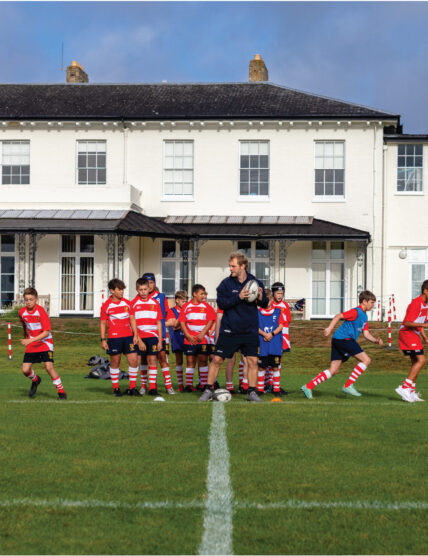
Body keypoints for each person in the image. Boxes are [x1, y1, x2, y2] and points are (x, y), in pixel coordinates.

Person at [199, 251, 268, 403]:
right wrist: (239, 297)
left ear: (243, 266)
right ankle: (208, 390)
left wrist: (261, 298)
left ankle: (251, 392)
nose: (230, 269)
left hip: (249, 330)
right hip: (229, 329)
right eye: (230, 266)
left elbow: (265, 303)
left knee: (253, 361)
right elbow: (221, 303)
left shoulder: (255, 282)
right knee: (217, 359)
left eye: (233, 266)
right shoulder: (225, 284)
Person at [301, 290, 383, 399]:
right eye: (372, 302)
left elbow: (366, 334)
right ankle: (348, 385)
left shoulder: (364, 316)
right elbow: (338, 316)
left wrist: (375, 341)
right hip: (344, 339)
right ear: (364, 301)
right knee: (366, 360)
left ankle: (308, 386)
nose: (373, 305)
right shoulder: (356, 311)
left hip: (338, 340)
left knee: (334, 370)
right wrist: (329, 328)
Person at [19, 287, 67, 400]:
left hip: (45, 343)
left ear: (36, 299)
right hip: (32, 343)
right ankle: (36, 380)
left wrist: (30, 340)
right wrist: (26, 334)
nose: (28, 302)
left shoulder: (41, 312)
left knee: (49, 367)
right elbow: (24, 323)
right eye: (26, 300)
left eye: (31, 299)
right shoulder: (21, 312)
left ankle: (61, 392)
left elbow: (46, 332)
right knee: (25, 370)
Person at [132, 278, 175, 395]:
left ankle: (152, 388)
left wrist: (160, 340)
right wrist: (139, 339)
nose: (143, 292)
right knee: (142, 361)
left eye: (145, 289)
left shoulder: (155, 303)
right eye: (141, 290)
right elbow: (132, 322)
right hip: (140, 337)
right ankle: (143, 386)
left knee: (152, 361)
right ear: (137, 290)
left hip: (153, 337)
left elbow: (159, 323)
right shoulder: (133, 303)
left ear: (149, 289)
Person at [100, 278, 140, 397]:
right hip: (114, 338)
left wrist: (136, 335)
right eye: (119, 289)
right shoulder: (106, 306)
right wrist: (103, 340)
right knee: (115, 363)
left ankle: (132, 388)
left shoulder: (128, 303)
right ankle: (116, 388)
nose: (122, 291)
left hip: (128, 337)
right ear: (112, 291)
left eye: (122, 289)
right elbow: (102, 323)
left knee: (134, 361)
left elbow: (132, 319)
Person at [179, 284, 216, 392]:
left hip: (203, 338)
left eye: (204, 293)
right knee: (190, 361)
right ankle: (189, 385)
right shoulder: (186, 306)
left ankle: (203, 384)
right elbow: (182, 322)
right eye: (201, 293)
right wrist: (187, 335)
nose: (203, 296)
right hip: (189, 339)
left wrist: (202, 334)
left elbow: (211, 320)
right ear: (194, 294)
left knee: (203, 360)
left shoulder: (207, 306)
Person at [395, 280, 428, 402]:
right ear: (425, 291)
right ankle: (404, 387)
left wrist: (424, 336)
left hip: (414, 334)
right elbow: (407, 323)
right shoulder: (416, 303)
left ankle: (410, 392)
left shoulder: (426, 304)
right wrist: (424, 325)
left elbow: (419, 321)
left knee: (416, 362)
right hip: (407, 333)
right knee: (422, 360)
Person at [257, 289, 286, 396]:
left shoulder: (278, 311)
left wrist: (271, 334)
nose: (267, 303)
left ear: (272, 300)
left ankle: (276, 389)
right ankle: (260, 389)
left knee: (275, 367)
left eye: (268, 300)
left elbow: (281, 326)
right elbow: (255, 327)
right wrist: (264, 334)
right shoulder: (257, 312)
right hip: (262, 344)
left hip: (275, 345)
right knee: (261, 367)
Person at [165, 290, 188, 392]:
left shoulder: (188, 309)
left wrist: (179, 324)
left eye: (186, 301)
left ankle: (189, 384)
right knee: (179, 360)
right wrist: (182, 322)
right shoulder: (172, 311)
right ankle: (180, 384)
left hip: (187, 337)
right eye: (183, 301)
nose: (185, 303)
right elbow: (174, 326)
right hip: (177, 338)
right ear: (177, 300)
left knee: (191, 360)